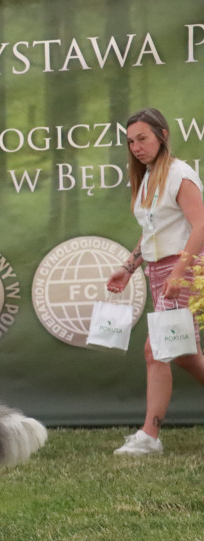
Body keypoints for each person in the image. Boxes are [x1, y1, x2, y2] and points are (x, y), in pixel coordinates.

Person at [106, 107, 204, 455]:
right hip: (158, 271)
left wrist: (181, 272)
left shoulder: (180, 174)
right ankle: (149, 436)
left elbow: (201, 226)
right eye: (131, 141)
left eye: (142, 138)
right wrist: (128, 267)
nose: (135, 146)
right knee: (184, 354)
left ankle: (150, 436)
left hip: (184, 268)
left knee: (156, 349)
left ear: (162, 135)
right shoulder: (147, 177)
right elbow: (152, 231)